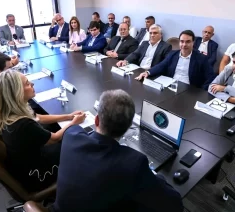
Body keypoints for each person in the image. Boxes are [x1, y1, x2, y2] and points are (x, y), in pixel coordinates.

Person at [50, 89, 183, 212]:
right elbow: (175, 204)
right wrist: (156, 176)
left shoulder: (71, 135)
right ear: (129, 126)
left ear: (96, 120)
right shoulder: (133, 162)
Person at [0, 69, 86, 192]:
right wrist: (74, 123)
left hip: (24, 162)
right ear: (17, 92)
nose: (32, 84)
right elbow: (55, 138)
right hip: (36, 175)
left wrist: (68, 116)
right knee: (78, 146)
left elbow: (38, 117)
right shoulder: (22, 124)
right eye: (27, 83)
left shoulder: (10, 111)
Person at [135, 30, 214, 90]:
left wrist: (201, 91)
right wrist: (148, 72)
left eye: (188, 42)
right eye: (182, 41)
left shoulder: (201, 58)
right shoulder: (173, 54)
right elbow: (162, 65)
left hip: (189, 90)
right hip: (171, 86)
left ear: (193, 43)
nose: (184, 45)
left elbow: (211, 77)